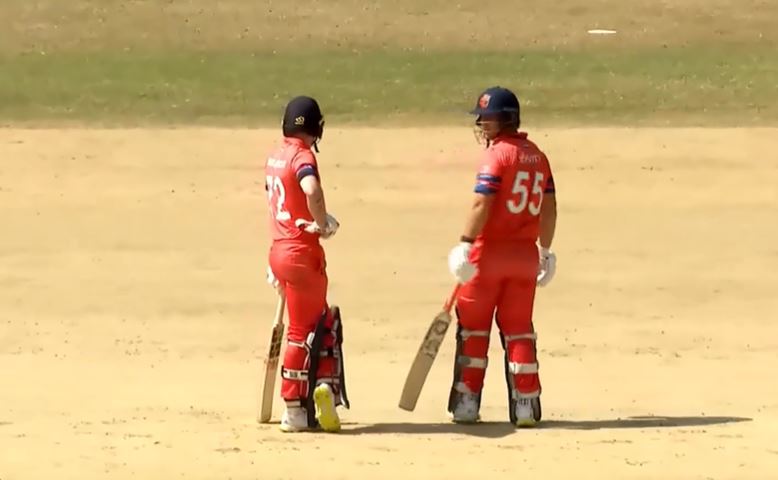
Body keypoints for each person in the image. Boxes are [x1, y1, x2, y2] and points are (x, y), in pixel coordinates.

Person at [446, 86, 558, 427]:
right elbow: (550, 208)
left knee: (474, 330)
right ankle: (525, 404)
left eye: (489, 118)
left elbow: (483, 203)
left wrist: (465, 242)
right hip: (524, 257)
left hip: (487, 257)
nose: (483, 124)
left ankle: (466, 402)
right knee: (519, 330)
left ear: (506, 119)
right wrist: (546, 250)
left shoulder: (497, 156)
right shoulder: (538, 156)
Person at [264, 95, 348, 433]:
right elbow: (311, 189)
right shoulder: (302, 156)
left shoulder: (274, 157)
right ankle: (298, 407)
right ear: (314, 128)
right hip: (302, 253)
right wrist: (322, 223)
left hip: (279, 251)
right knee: (310, 330)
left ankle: (314, 393)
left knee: (315, 321)